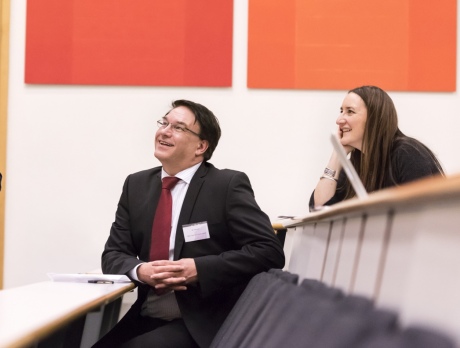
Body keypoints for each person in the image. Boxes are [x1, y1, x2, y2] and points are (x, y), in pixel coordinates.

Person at [93, 100, 285, 348]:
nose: (164, 131)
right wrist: (141, 270)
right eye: (164, 123)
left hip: (202, 322)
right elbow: (113, 254)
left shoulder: (226, 185)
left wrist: (199, 269)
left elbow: (268, 251)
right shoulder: (136, 185)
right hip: (146, 315)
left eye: (178, 127)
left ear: (201, 146)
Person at [310, 85, 444, 210]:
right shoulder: (358, 162)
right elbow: (319, 209)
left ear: (374, 118)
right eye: (341, 111)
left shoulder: (407, 153)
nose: (339, 120)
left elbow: (423, 211)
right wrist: (338, 154)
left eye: (350, 112)